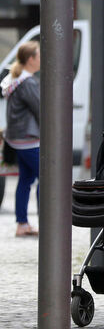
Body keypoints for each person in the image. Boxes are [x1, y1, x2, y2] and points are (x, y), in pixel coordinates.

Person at [2, 41, 41, 237]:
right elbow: (41, 109)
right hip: (30, 140)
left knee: (25, 180)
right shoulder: (28, 83)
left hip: (17, 139)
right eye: (39, 55)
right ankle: (48, 222)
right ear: (30, 59)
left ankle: (22, 224)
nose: (41, 59)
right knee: (48, 178)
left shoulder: (14, 80)